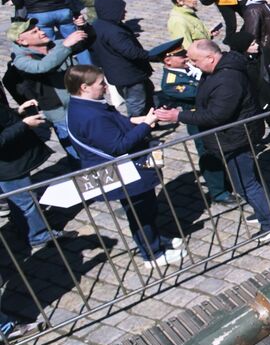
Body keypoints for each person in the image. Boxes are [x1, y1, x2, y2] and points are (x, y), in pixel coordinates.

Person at [153, 41, 270, 237]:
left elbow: (216, 115)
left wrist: (178, 116)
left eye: (195, 60)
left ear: (210, 58)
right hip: (234, 136)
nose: (192, 64)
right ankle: (265, 212)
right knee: (248, 181)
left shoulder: (227, 79)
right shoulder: (218, 70)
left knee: (246, 184)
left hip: (237, 137)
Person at [64, 64, 183, 266]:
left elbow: (114, 125)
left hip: (124, 170)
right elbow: (118, 146)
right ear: (84, 87)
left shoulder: (85, 106)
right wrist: (146, 124)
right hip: (122, 172)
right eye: (101, 84)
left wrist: (137, 120)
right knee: (140, 213)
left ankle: (154, 239)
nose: (106, 87)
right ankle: (153, 254)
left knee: (146, 209)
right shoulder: (91, 115)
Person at [154, 43, 233, 206]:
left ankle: (228, 180)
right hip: (198, 121)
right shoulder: (171, 82)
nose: (186, 58)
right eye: (181, 56)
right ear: (168, 61)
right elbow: (201, 92)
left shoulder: (189, 69)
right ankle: (219, 192)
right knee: (209, 155)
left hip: (212, 116)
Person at [4, 18, 84, 159]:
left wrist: (84, 26)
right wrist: (65, 45)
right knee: (76, 151)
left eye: (39, 29)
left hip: (78, 101)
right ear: (22, 41)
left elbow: (86, 42)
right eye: (34, 32)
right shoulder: (20, 60)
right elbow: (42, 67)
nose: (41, 32)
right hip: (58, 110)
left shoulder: (53, 45)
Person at [0, 89, 69, 247]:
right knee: (25, 202)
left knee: (18, 200)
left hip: (12, 162)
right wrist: (24, 124)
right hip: (8, 167)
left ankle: (26, 228)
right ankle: (38, 236)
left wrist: (18, 110)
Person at [88, 0, 157, 117]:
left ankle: (150, 122)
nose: (124, 12)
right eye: (121, 10)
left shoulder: (98, 25)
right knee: (137, 103)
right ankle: (138, 129)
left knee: (147, 94)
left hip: (117, 73)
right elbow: (131, 52)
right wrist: (154, 56)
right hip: (129, 75)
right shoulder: (114, 31)